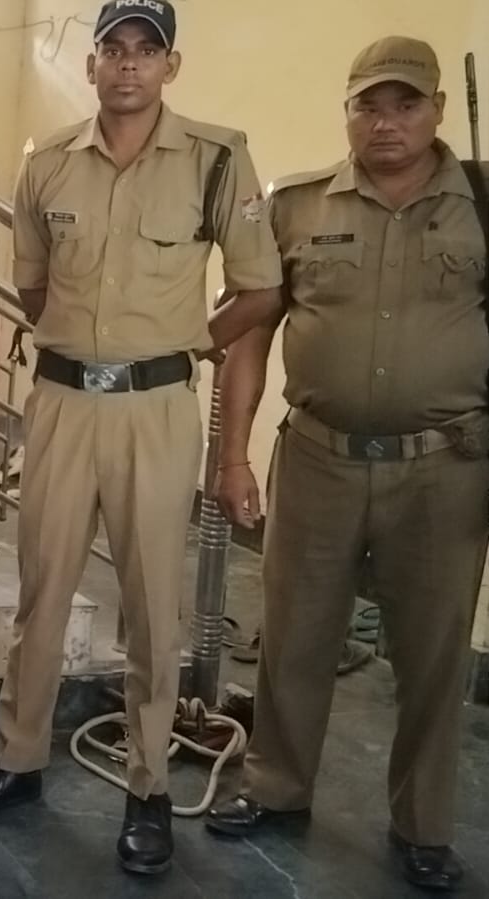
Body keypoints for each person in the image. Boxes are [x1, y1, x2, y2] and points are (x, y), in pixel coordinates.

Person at [0, 0, 286, 876]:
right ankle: (17, 757)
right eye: (112, 48)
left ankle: (147, 787)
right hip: (61, 402)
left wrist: (184, 342)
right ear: (92, 62)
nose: (128, 63)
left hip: (155, 409)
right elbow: (31, 284)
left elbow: (259, 285)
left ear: (170, 66)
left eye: (146, 49)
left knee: (151, 603)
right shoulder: (49, 162)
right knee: (42, 590)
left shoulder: (215, 158)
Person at [203, 37, 487, 893]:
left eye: (405, 104)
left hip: (444, 468)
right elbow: (249, 335)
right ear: (347, 112)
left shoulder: (482, 202)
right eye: (369, 104)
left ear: (437, 110)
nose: (385, 122)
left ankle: (422, 824)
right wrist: (230, 454)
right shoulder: (294, 205)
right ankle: (275, 785)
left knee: (432, 654)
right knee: (294, 635)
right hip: (317, 458)